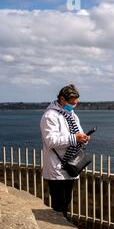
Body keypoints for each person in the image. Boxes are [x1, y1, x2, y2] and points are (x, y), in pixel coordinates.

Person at [40, 84, 90, 218]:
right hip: (57, 166)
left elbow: (77, 133)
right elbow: (50, 141)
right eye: (71, 103)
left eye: (75, 103)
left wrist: (83, 137)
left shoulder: (72, 115)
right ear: (62, 99)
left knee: (66, 201)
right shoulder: (50, 116)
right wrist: (75, 138)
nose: (73, 106)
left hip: (70, 165)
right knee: (59, 204)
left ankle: (63, 226)